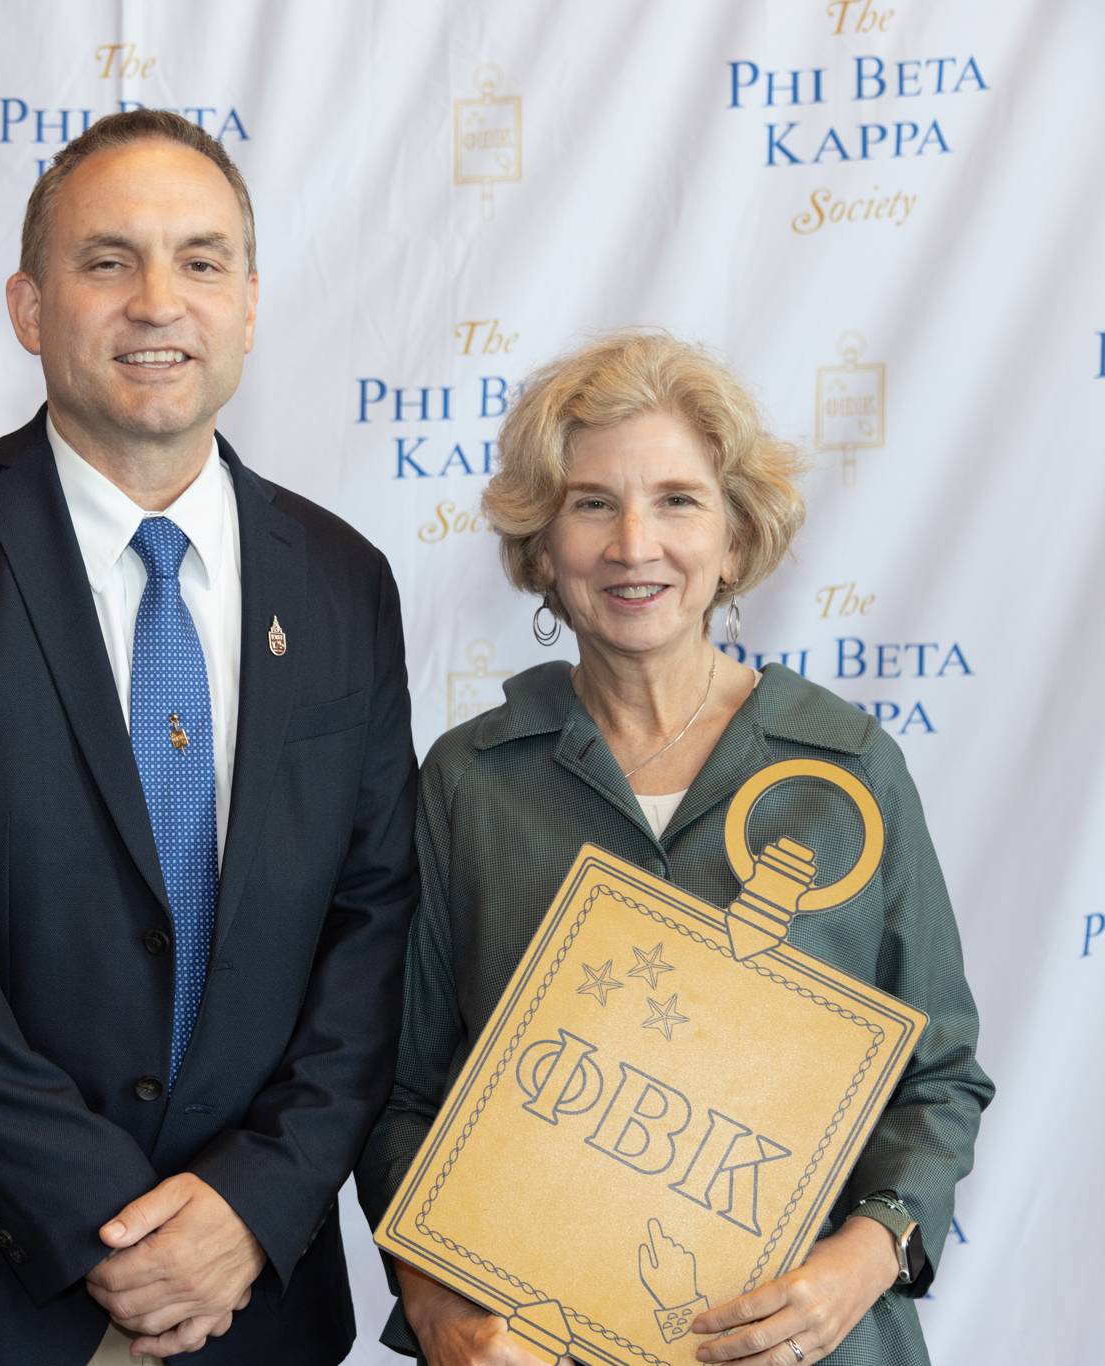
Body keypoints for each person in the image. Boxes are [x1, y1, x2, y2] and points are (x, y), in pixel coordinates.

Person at [0, 108, 419, 1366]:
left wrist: (255, 1204)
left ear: (248, 303)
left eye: (199, 260)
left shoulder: (344, 581)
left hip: (253, 1303)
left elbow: (374, 925)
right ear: (28, 306)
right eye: (106, 260)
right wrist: (108, 1230)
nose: (155, 302)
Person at [355, 332, 992, 1366]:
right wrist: (435, 1310)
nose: (631, 543)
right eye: (590, 502)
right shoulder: (469, 782)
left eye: (676, 501)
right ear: (540, 545)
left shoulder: (844, 771)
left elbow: (938, 1079)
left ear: (734, 540)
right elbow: (401, 1102)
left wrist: (862, 1262)